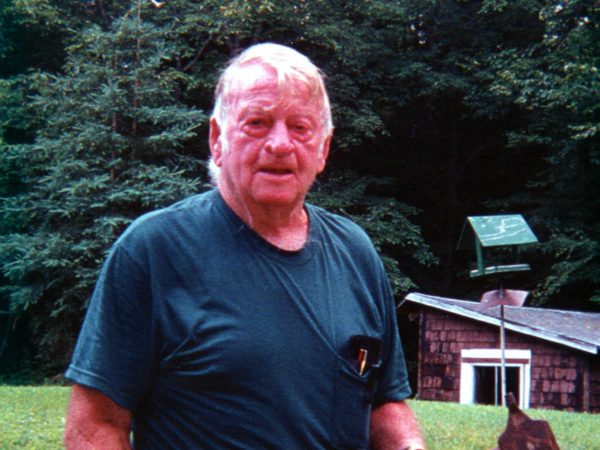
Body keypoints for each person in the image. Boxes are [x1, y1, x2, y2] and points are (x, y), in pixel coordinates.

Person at [64, 42, 426, 450]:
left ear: (323, 148)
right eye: (257, 122)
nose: (279, 144)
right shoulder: (154, 250)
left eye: (300, 127)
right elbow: (95, 427)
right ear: (217, 139)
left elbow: (385, 407)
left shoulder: (355, 252)